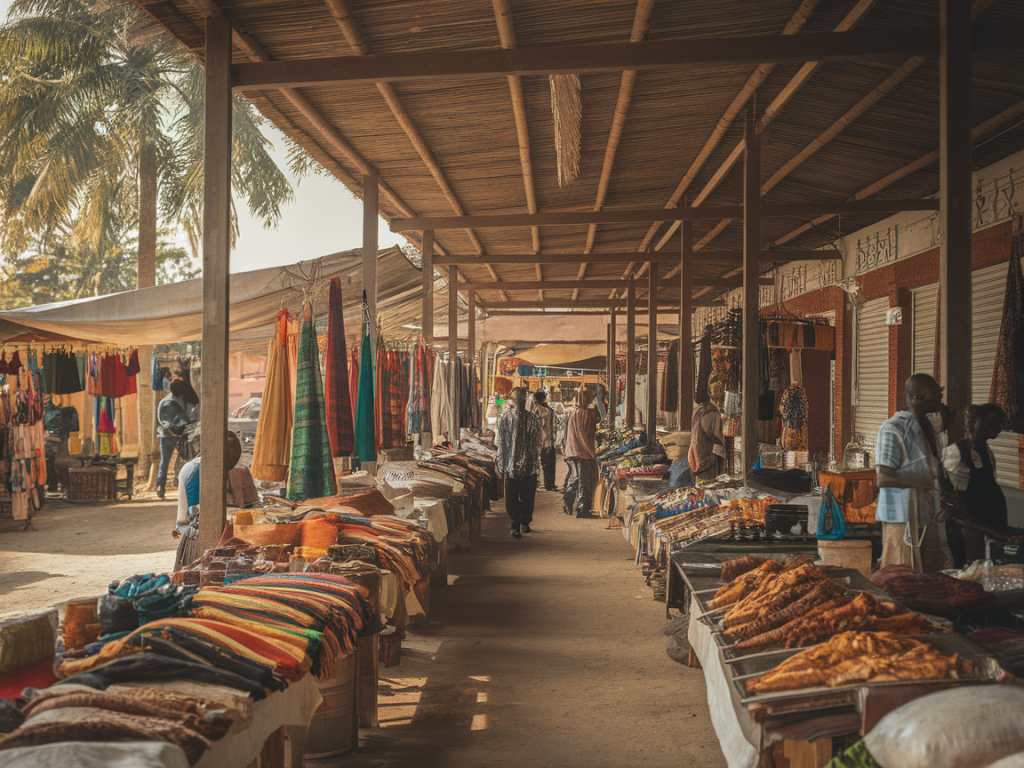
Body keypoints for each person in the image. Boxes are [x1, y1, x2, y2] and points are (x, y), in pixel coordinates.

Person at [875, 373, 955, 573]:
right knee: (903, 578)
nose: (939, 401)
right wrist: (929, 477)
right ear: (914, 398)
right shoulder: (893, 428)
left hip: (928, 517)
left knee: (934, 577)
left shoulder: (928, 427)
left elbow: (936, 466)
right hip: (902, 521)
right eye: (934, 396)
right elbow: (885, 477)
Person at [943, 404, 1008, 567]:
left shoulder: (987, 452)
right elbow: (953, 507)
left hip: (993, 524)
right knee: (972, 570)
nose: (997, 428)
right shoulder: (956, 452)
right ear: (974, 423)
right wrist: (990, 530)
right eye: (991, 422)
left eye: (999, 423)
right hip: (970, 530)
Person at [172, 431, 242, 570]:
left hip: (191, 530)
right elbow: (201, 512)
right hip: (197, 535)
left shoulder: (196, 466)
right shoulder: (200, 470)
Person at [495, 387, 542, 538]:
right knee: (514, 496)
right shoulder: (506, 418)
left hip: (525, 465)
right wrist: (502, 462)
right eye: (517, 399)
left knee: (525, 496)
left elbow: (536, 443)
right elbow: (502, 442)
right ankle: (517, 523)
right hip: (513, 464)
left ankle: (523, 522)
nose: (519, 402)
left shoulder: (532, 419)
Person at [562, 388, 601, 518]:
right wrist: (592, 453)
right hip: (582, 452)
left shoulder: (573, 413)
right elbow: (585, 435)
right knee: (585, 481)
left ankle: (568, 500)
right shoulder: (586, 414)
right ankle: (582, 509)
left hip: (572, 451)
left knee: (575, 478)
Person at [156, 378, 194, 499]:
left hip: (169, 435)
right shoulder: (176, 402)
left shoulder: (165, 401)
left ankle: (162, 487)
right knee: (177, 460)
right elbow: (186, 417)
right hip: (173, 435)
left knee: (168, 462)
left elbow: (161, 419)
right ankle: (170, 485)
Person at [533, 390, 557, 491]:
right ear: (544, 399)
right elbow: (552, 427)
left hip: (536, 441)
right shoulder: (548, 411)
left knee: (536, 464)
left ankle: (536, 483)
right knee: (548, 465)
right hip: (547, 441)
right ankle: (549, 484)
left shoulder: (532, 411)